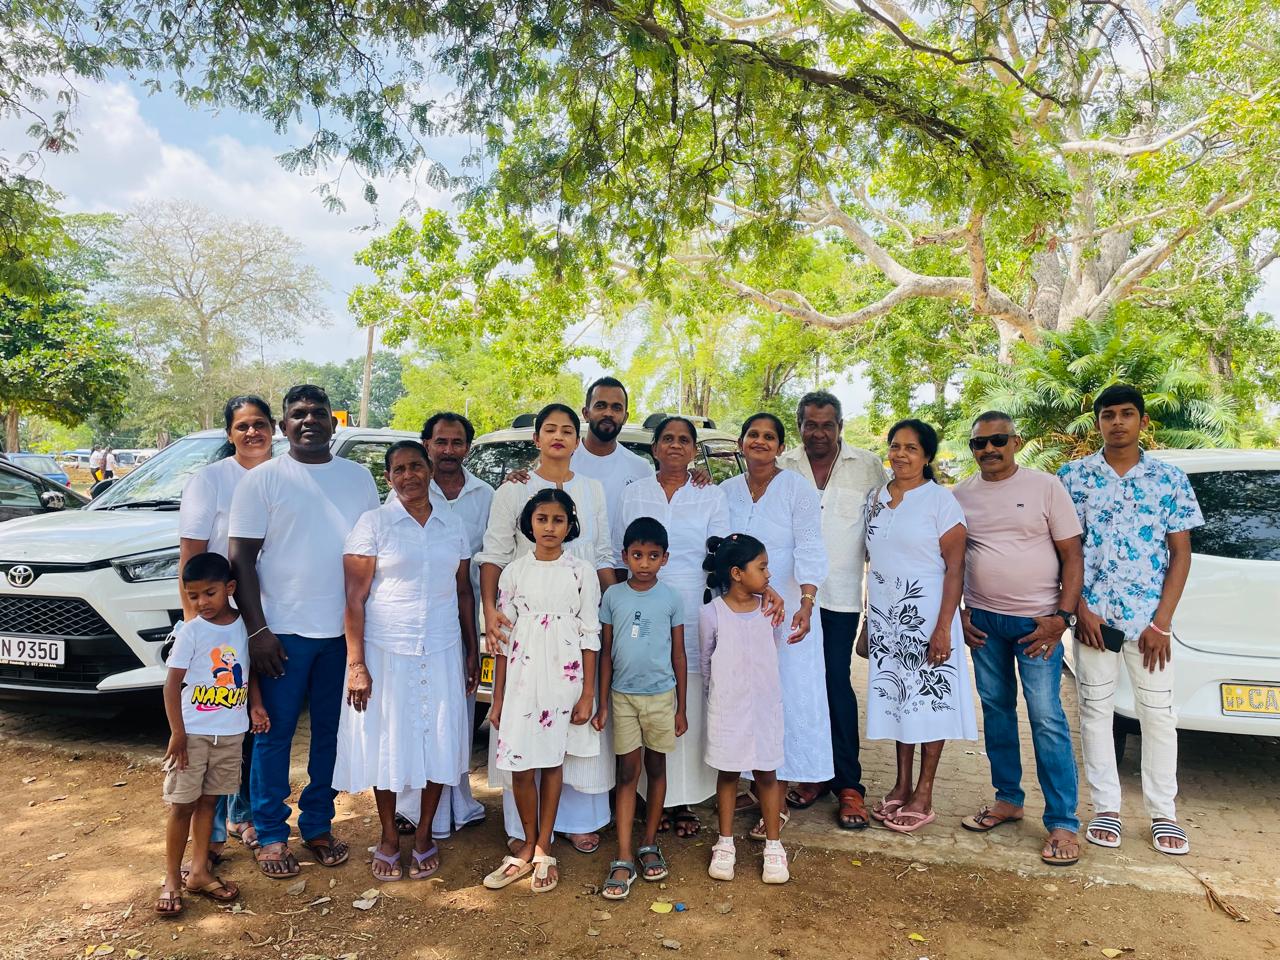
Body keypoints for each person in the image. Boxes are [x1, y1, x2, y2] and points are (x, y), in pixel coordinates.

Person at [228, 384, 381, 879]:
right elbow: (241, 562)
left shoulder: (358, 478)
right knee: (273, 736)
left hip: (342, 635)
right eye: (298, 414)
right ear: (283, 426)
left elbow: (372, 552)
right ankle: (271, 833)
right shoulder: (262, 481)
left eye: (318, 413)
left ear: (334, 423)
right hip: (282, 636)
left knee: (330, 737)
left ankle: (318, 824)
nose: (309, 420)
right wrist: (258, 632)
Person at [1058, 384, 1202, 855]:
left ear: (1141, 421)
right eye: (1108, 415)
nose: (1117, 422)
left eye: (1126, 414)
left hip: (1148, 627)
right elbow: (1065, 551)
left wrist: (1161, 623)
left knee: (1159, 715)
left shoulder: (1169, 479)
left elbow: (1180, 554)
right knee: (1096, 713)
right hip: (1094, 622)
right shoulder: (1072, 477)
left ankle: (1164, 814)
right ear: (1097, 422)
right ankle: (1106, 809)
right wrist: (1080, 609)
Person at [334, 441, 478, 881]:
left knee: (439, 738)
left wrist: (473, 650)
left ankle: (425, 835)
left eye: (416, 465)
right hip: (386, 649)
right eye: (399, 469)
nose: (409, 475)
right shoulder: (373, 524)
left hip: (441, 647)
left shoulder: (451, 524)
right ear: (388, 477)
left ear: (430, 469)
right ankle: (389, 837)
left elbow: (462, 592)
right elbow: (354, 599)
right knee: (386, 742)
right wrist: (356, 664)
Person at [476, 403, 615, 856]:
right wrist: (490, 613)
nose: (558, 436)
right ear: (536, 438)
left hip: (576, 624)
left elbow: (604, 551)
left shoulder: (593, 489)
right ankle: (526, 832)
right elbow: (495, 553)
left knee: (572, 732)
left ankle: (576, 822)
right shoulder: (515, 488)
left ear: (579, 439)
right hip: (524, 633)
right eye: (549, 429)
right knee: (526, 736)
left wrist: (614, 610)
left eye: (567, 430)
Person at [954, 412, 1085, 866]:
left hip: (1038, 627)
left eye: (998, 440)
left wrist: (1062, 618)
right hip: (985, 624)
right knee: (996, 711)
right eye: (979, 443)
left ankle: (1064, 822)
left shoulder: (1046, 487)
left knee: (1047, 717)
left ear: (1016, 441)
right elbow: (951, 562)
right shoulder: (961, 495)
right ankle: (1008, 799)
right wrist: (959, 612)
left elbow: (1072, 555)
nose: (989, 449)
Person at [482, 489, 602, 893]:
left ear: (570, 525)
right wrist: (497, 699)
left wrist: (587, 694)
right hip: (521, 676)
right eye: (541, 519)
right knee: (519, 762)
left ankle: (543, 847)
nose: (549, 527)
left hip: (563, 678)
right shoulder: (514, 572)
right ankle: (525, 843)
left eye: (558, 520)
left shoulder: (580, 571)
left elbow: (590, 634)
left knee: (552, 761)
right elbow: (501, 636)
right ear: (529, 523)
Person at [721, 412, 832, 840]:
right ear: (742, 441)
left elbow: (809, 545)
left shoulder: (795, 489)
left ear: (781, 447)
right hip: (740, 612)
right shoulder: (726, 490)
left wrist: (805, 601)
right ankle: (754, 785)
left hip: (788, 615)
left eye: (770, 437)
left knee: (785, 697)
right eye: (754, 435)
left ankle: (778, 799)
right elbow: (718, 546)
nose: (761, 442)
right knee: (747, 695)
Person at [617, 416, 730, 837]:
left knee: (686, 698)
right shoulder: (635, 493)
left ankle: (683, 802)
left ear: (694, 449)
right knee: (643, 692)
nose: (676, 446)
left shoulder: (709, 493)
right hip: (638, 605)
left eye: (684, 440)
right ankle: (649, 799)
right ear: (655, 447)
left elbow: (718, 555)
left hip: (690, 604)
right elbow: (618, 548)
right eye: (668, 439)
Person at [778, 391, 886, 829]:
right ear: (800, 425)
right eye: (810, 424)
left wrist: (873, 612)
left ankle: (848, 785)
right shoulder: (784, 466)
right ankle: (809, 775)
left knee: (835, 685)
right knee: (795, 687)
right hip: (788, 598)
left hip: (839, 598)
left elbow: (879, 541)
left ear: (840, 425)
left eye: (827, 424)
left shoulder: (869, 467)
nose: (818, 432)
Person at [863, 418, 975, 833]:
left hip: (928, 618)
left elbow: (955, 568)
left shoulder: (940, 501)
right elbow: (872, 564)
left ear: (926, 456)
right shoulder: (877, 497)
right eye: (895, 446)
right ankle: (901, 783)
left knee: (929, 703)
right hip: (886, 619)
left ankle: (924, 792)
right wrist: (866, 624)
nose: (901, 454)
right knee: (898, 702)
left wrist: (945, 627)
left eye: (911, 448)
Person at [179, 395, 276, 859]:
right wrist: (196, 628)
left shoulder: (285, 475)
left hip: (269, 618)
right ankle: (211, 833)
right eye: (242, 426)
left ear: (273, 429)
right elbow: (190, 560)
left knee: (255, 722)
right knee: (213, 726)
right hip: (220, 622)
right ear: (229, 434)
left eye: (260, 424)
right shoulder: (211, 481)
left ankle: (246, 816)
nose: (252, 433)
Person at [390, 412, 493, 841]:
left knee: (458, 711)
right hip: (415, 618)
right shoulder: (407, 489)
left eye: (457, 442)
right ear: (427, 446)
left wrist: (476, 639)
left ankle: (458, 801)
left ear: (468, 447)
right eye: (440, 442)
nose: (448, 450)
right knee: (416, 712)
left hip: (466, 615)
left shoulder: (485, 495)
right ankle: (409, 807)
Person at [158, 553, 269, 916]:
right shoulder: (192, 631)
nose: (202, 603)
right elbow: (171, 685)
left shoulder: (244, 625)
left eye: (209, 593)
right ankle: (173, 877)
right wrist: (178, 733)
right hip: (194, 734)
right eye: (193, 596)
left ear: (230, 588)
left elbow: (248, 669)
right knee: (182, 806)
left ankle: (200, 871)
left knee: (209, 802)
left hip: (231, 733)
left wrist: (255, 705)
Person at [596, 517, 687, 900]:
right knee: (628, 773)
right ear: (625, 557)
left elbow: (678, 653)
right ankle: (623, 855)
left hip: (662, 697)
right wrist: (601, 701)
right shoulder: (613, 597)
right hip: (622, 697)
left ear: (665, 558)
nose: (645, 563)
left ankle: (649, 843)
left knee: (657, 769)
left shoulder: (671, 598)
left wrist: (681, 707)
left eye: (653, 556)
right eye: (637, 555)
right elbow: (604, 655)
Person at [700, 534, 789, 884]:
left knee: (767, 773)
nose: (768, 574)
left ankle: (773, 845)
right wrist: (721, 694)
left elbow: (773, 650)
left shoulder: (770, 610)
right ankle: (724, 843)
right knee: (728, 773)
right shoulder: (711, 614)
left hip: (765, 707)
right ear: (737, 573)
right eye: (762, 567)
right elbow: (707, 662)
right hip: (728, 707)